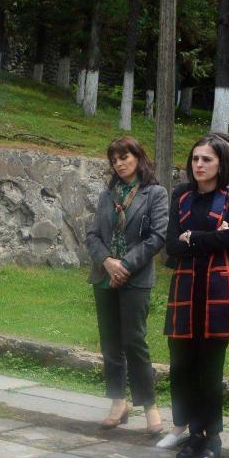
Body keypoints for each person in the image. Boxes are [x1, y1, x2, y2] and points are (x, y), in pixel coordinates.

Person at [163, 135, 229, 458]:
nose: (199, 165)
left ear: (221, 163)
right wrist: (211, 237)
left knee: (211, 369)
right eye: (195, 158)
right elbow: (171, 245)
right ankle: (193, 433)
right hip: (185, 289)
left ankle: (212, 436)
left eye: (207, 159)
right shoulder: (181, 195)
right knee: (182, 366)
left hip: (217, 292)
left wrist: (193, 237)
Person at [86, 136, 168, 435]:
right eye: (114, 160)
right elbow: (93, 235)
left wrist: (125, 265)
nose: (119, 164)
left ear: (138, 157)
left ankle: (149, 405)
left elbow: (157, 236)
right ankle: (118, 401)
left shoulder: (155, 193)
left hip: (136, 278)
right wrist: (107, 261)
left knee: (134, 341)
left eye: (124, 157)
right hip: (104, 276)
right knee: (110, 342)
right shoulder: (107, 195)